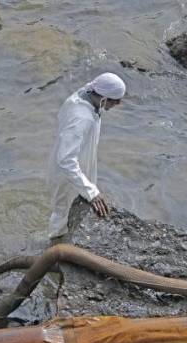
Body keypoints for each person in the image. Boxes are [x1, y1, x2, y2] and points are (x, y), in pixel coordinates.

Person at [47, 72, 125, 239]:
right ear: (104, 98)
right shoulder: (81, 118)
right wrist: (91, 192)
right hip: (67, 176)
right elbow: (66, 160)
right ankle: (53, 247)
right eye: (115, 100)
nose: (119, 103)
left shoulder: (87, 95)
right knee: (61, 215)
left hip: (81, 163)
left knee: (72, 211)